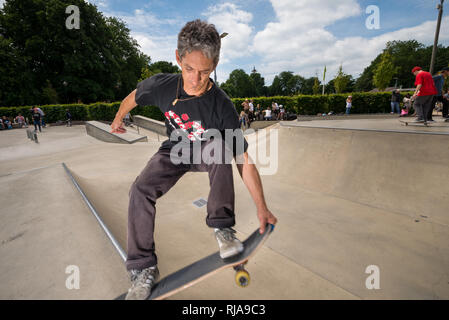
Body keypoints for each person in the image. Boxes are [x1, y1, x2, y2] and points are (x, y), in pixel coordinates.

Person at [110, 19, 277, 300]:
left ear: (215, 65)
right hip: (174, 150)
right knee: (140, 189)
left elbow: (242, 158)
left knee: (221, 147)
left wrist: (262, 207)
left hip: (206, 151)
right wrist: (117, 118)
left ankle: (223, 228)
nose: (195, 80)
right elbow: (134, 97)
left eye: (204, 72)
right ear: (178, 59)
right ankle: (141, 269)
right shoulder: (162, 86)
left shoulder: (221, 104)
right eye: (189, 69)